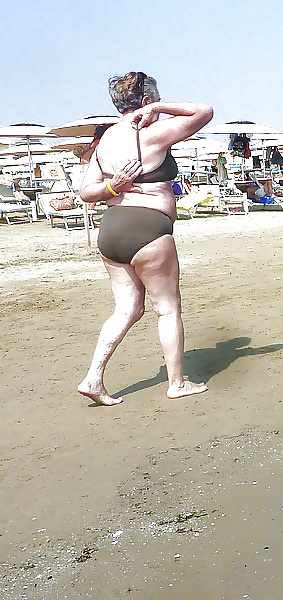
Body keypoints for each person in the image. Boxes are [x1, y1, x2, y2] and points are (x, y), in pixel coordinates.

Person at [77, 71, 214, 406]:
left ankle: (93, 378)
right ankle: (177, 383)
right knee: (167, 309)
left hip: (111, 230)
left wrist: (113, 187)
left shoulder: (105, 141)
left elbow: (86, 192)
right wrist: (161, 108)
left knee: (126, 308)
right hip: (148, 228)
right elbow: (204, 111)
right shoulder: (151, 133)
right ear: (146, 100)